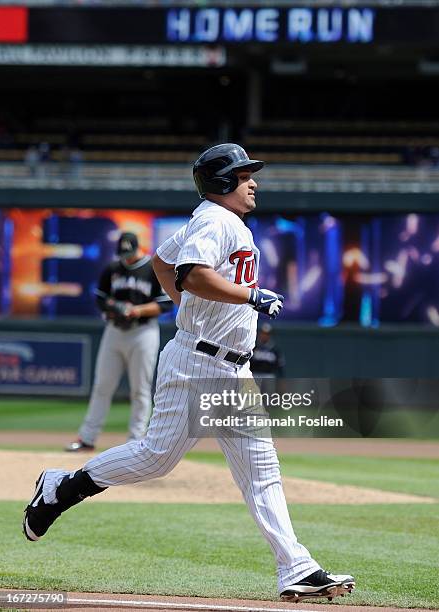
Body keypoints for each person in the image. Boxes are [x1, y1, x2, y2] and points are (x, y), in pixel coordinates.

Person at [23, 144, 355, 603]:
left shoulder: (215, 221)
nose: (253, 182)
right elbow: (192, 274)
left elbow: (162, 262)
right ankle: (63, 486)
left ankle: (296, 567)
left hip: (230, 366)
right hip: (199, 363)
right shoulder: (216, 222)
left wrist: (193, 308)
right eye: (243, 176)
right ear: (222, 183)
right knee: (155, 459)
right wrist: (249, 297)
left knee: (262, 471)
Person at [65, 231, 172, 452]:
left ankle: (136, 441)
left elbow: (165, 304)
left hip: (143, 332)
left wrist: (136, 310)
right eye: (123, 253)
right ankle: (87, 438)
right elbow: (100, 299)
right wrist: (114, 307)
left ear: (138, 248)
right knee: (102, 386)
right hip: (114, 331)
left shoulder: (152, 269)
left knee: (140, 389)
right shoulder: (112, 269)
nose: (126, 258)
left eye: (129, 252)